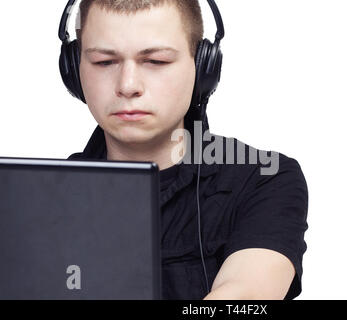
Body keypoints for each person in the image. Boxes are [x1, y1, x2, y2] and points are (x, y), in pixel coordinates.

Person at [63, 0, 308, 300]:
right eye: (104, 61)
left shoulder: (264, 179)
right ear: (74, 71)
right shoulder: (35, 197)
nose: (127, 86)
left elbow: (243, 297)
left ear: (204, 67)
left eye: (156, 61)